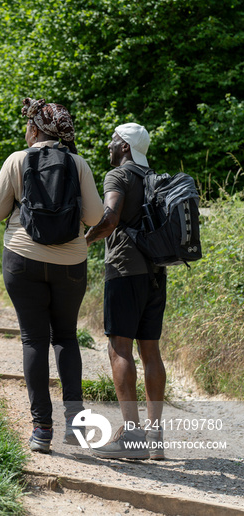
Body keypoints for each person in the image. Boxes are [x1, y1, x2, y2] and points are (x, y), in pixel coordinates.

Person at [0, 98, 103, 453]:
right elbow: (95, 217)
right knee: (66, 336)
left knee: (33, 340)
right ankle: (76, 424)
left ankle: (41, 430)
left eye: (27, 125)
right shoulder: (78, 163)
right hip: (71, 262)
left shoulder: (17, 160)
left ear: (35, 129)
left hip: (23, 257)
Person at [85, 123, 166, 460]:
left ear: (124, 147)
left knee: (119, 348)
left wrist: (84, 240)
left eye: (113, 139)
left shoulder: (118, 176)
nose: (109, 144)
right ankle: (154, 435)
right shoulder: (158, 180)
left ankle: (131, 438)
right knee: (151, 351)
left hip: (123, 270)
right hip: (157, 273)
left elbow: (110, 217)